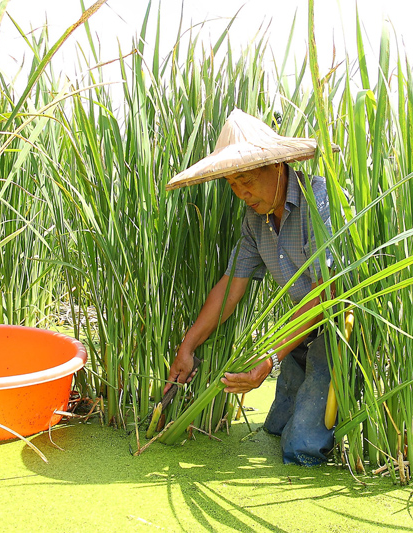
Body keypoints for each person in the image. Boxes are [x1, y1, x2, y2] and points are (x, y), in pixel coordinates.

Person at [163, 108, 339, 466]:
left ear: (277, 166)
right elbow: (231, 286)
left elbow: (326, 293)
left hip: (339, 332)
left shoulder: (318, 201)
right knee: (275, 428)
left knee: (300, 448)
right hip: (301, 333)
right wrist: (188, 346)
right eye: (232, 184)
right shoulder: (255, 219)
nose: (242, 193)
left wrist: (269, 360)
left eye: (247, 179)